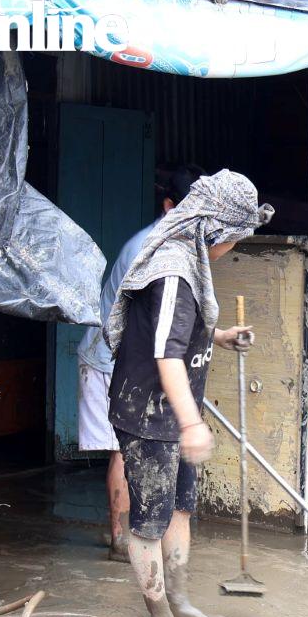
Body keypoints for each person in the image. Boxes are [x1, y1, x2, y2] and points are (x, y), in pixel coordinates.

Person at [104, 170, 273, 617]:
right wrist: (192, 423)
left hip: (173, 409)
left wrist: (218, 337)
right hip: (148, 410)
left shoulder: (191, 259)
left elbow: (176, 334)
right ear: (215, 231)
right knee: (149, 521)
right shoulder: (175, 269)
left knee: (180, 508)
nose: (231, 250)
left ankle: (177, 600)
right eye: (234, 240)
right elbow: (165, 354)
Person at [77, 165, 203, 562]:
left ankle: (140, 545)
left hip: (134, 359)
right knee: (122, 450)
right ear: (169, 207)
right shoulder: (150, 249)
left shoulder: (179, 249)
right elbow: (155, 329)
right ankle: (120, 541)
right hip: (107, 356)